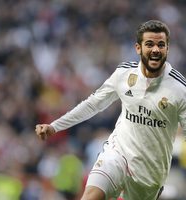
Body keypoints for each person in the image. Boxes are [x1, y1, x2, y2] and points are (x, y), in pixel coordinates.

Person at [35, 20, 186, 200]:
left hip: (150, 172)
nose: (155, 50)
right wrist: (55, 126)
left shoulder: (180, 89)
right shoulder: (123, 74)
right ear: (138, 48)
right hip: (117, 153)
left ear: (167, 49)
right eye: (149, 44)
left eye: (161, 45)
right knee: (91, 195)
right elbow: (93, 104)